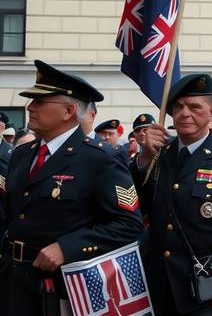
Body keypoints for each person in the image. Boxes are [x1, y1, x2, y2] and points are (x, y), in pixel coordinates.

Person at [1, 60, 144, 315]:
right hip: (13, 280)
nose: (30, 107)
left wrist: (68, 247)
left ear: (68, 110)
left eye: (40, 102)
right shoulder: (22, 154)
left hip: (64, 287)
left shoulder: (100, 159)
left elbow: (128, 225)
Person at [132, 73, 212, 316]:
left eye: (194, 107)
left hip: (208, 286)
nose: (185, 113)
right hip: (159, 283)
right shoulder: (158, 156)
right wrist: (144, 158)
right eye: (178, 107)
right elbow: (136, 204)